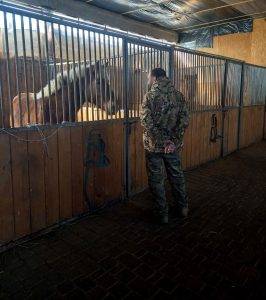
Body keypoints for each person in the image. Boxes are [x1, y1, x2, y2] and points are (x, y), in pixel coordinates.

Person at [140, 68, 190, 224]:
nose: (148, 79)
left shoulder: (149, 96)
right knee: (176, 176)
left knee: (156, 180)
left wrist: (162, 141)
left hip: (154, 147)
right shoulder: (179, 96)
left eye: (149, 77)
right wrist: (172, 141)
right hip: (172, 147)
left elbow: (146, 122)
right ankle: (183, 208)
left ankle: (162, 214)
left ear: (155, 77)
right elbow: (184, 121)